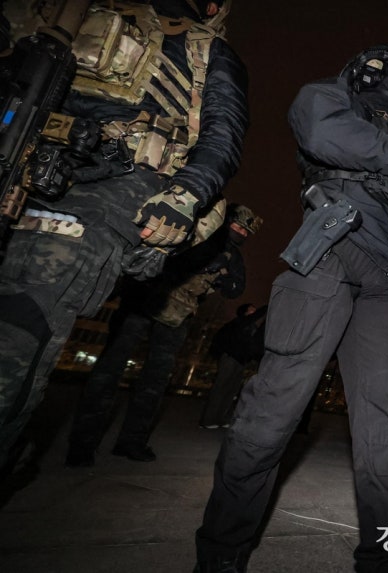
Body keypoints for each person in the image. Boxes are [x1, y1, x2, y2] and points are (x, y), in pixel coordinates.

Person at [194, 46, 388, 573]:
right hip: (330, 251)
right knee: (276, 405)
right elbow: (322, 133)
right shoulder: (331, 95)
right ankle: (221, 554)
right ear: (372, 68)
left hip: (384, 282)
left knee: (383, 419)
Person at [0, 0, 248, 472]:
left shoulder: (202, 49)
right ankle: (82, 446)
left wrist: (185, 195)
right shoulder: (61, 12)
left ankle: (112, 444)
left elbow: (222, 137)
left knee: (22, 326)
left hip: (111, 195)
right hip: (27, 158)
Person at [64, 202, 260, 465]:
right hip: (143, 298)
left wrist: (220, 271)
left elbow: (236, 288)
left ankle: (132, 441)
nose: (241, 233)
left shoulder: (231, 255)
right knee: (110, 368)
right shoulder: (192, 227)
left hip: (177, 314)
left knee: (155, 380)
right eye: (238, 227)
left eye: (246, 232)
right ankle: (82, 444)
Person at [198, 301, 268, 429]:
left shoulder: (252, 328)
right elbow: (256, 316)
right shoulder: (239, 322)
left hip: (241, 361)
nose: (254, 311)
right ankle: (207, 420)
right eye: (251, 309)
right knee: (220, 388)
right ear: (244, 312)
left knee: (231, 390)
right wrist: (269, 306)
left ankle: (220, 418)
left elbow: (256, 343)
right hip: (230, 358)